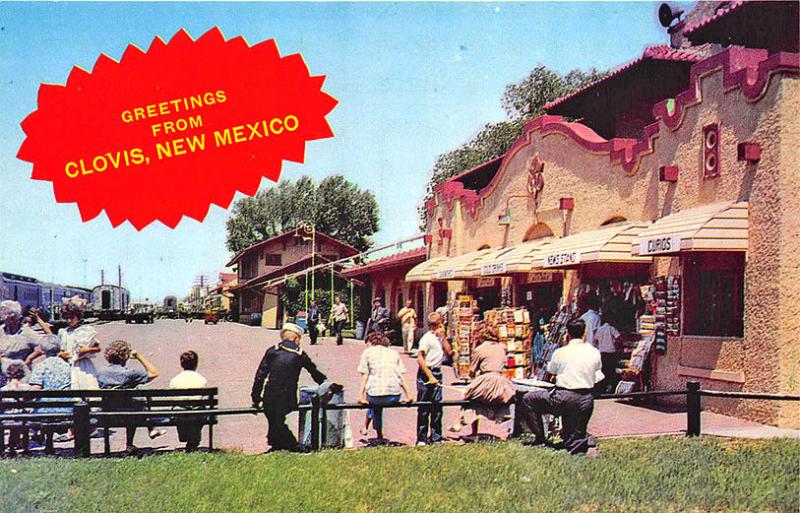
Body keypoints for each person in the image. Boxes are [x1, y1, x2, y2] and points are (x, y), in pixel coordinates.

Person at [515, 318, 603, 455]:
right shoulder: (594, 352)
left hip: (563, 397)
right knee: (571, 440)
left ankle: (540, 438)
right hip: (586, 399)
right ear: (584, 333)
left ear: (567, 333)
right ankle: (583, 442)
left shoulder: (560, 352)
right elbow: (598, 375)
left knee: (528, 399)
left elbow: (551, 371)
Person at [251, 322, 330, 452]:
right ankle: (292, 445)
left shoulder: (272, 351)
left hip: (269, 397)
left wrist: (255, 397)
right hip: (288, 398)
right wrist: (325, 382)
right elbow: (314, 372)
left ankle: (282, 444)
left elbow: (260, 376)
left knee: (276, 420)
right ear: (295, 338)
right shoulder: (299, 354)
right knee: (277, 421)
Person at [96, 340, 166, 454]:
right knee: (136, 401)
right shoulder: (130, 373)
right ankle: (137, 438)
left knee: (131, 401)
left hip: (108, 415)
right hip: (130, 415)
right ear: (126, 357)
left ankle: (109, 446)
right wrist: (139, 356)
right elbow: (154, 373)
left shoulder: (101, 372)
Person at [449, 324, 515, 437]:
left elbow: (471, 371)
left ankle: (460, 422)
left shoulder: (480, 349)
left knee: (469, 397)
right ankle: (500, 418)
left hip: (486, 379)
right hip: (500, 382)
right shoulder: (502, 348)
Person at [357, 332, 413, 441]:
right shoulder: (394, 353)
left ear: (371, 342)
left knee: (374, 400)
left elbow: (365, 376)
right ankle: (378, 434)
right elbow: (400, 375)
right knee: (377, 400)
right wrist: (409, 395)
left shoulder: (367, 353)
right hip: (394, 396)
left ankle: (372, 430)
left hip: (375, 397)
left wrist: (360, 396)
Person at [29, 335, 73, 442]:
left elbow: (36, 389)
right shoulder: (68, 366)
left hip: (44, 411)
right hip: (66, 410)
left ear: (43, 350)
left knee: (32, 407)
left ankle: (38, 435)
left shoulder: (40, 366)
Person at [415, 311, 451, 445]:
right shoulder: (427, 339)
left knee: (437, 406)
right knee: (424, 407)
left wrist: (444, 337)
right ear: (439, 325)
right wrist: (429, 376)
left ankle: (436, 437)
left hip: (437, 372)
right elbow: (420, 359)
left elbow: (449, 351)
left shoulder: (439, 338)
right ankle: (421, 438)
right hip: (427, 373)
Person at [169, 350, 208, 452]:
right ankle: (193, 440)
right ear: (196, 364)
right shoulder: (202, 379)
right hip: (196, 415)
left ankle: (185, 436)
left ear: (182, 364)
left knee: (179, 408)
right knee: (200, 410)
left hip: (179, 414)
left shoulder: (174, 380)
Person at [57, 300, 101, 389]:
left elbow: (98, 348)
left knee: (87, 387)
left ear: (78, 316)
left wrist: (87, 349)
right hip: (68, 364)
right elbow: (60, 351)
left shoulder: (86, 331)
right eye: (66, 318)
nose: (69, 320)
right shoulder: (63, 332)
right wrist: (61, 354)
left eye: (72, 317)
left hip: (83, 365)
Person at [1, 362, 33, 455]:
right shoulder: (28, 388)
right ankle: (25, 448)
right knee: (24, 420)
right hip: (25, 417)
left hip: (9, 417)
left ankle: (11, 448)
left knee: (11, 421)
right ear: (22, 374)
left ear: (8, 374)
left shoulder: (4, 390)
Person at [0, 300, 44, 367]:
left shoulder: (27, 332)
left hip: (19, 372)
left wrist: (30, 358)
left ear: (13, 318)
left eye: (5, 317)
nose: (2, 319)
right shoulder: (1, 330)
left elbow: (45, 345)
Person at [595, 315, 621, 393]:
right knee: (611, 371)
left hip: (602, 353)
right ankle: (611, 387)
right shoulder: (612, 328)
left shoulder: (599, 329)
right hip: (611, 353)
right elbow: (619, 338)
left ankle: (602, 388)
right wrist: (617, 346)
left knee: (603, 370)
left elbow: (595, 339)